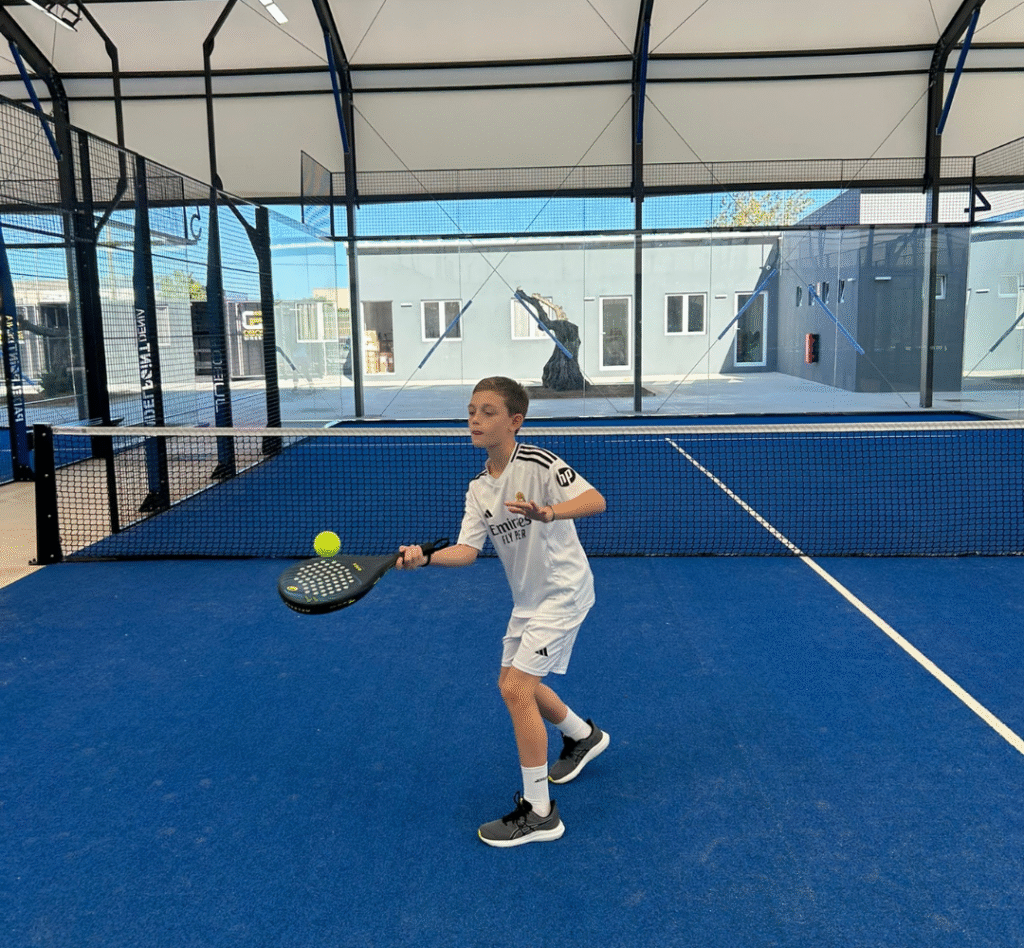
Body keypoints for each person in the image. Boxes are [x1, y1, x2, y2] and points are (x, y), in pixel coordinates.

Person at [396, 376, 609, 847]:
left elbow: (595, 500)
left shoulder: (537, 463)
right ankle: (582, 736)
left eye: (488, 411)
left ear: (515, 421)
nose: (474, 418)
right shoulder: (478, 488)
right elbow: (467, 550)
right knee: (514, 684)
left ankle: (540, 812)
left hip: (564, 591)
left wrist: (549, 513)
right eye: (472, 410)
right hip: (528, 600)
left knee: (516, 687)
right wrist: (424, 557)